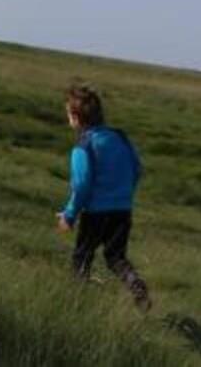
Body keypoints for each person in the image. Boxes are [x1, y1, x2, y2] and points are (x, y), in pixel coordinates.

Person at [55, 84, 150, 309]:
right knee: (115, 257)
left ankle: (76, 304)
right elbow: (137, 169)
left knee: (82, 257)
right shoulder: (120, 137)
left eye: (68, 114)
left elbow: (81, 185)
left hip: (95, 214)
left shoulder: (83, 145)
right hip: (122, 211)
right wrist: (122, 195)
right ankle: (135, 284)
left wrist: (69, 215)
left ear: (76, 117)